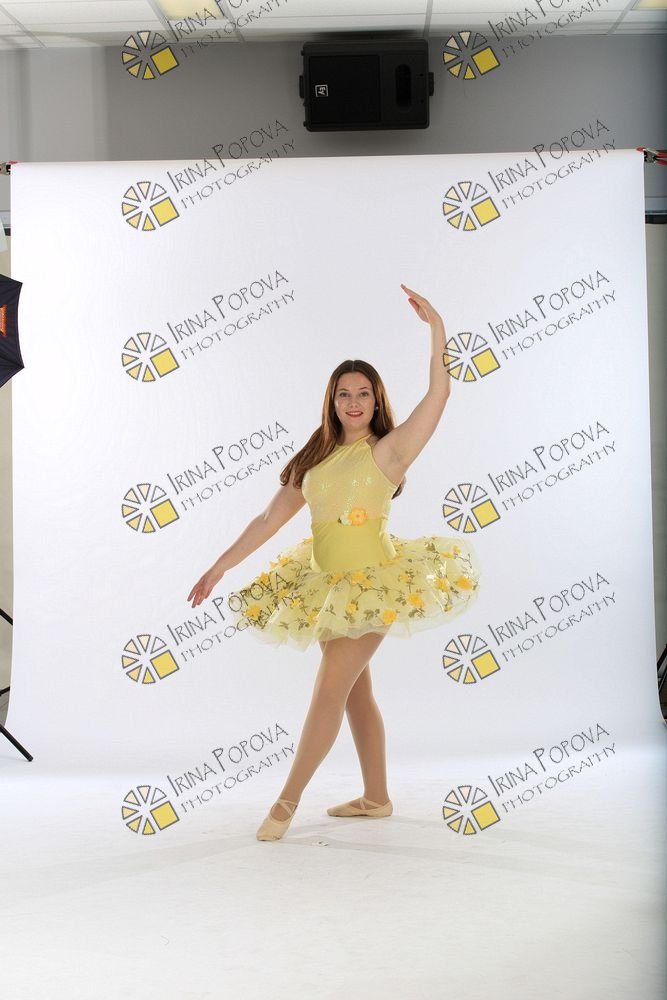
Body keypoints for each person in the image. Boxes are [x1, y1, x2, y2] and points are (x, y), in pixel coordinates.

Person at [187, 284, 481, 842]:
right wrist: (219, 566)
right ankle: (376, 798)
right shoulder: (315, 458)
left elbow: (439, 393)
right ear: (332, 400)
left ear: (376, 400)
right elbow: (267, 520)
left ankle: (285, 802)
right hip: (324, 585)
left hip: (376, 584)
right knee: (356, 694)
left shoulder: (389, 450)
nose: (354, 402)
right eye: (344, 393)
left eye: (363, 393)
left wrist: (437, 327)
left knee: (328, 691)